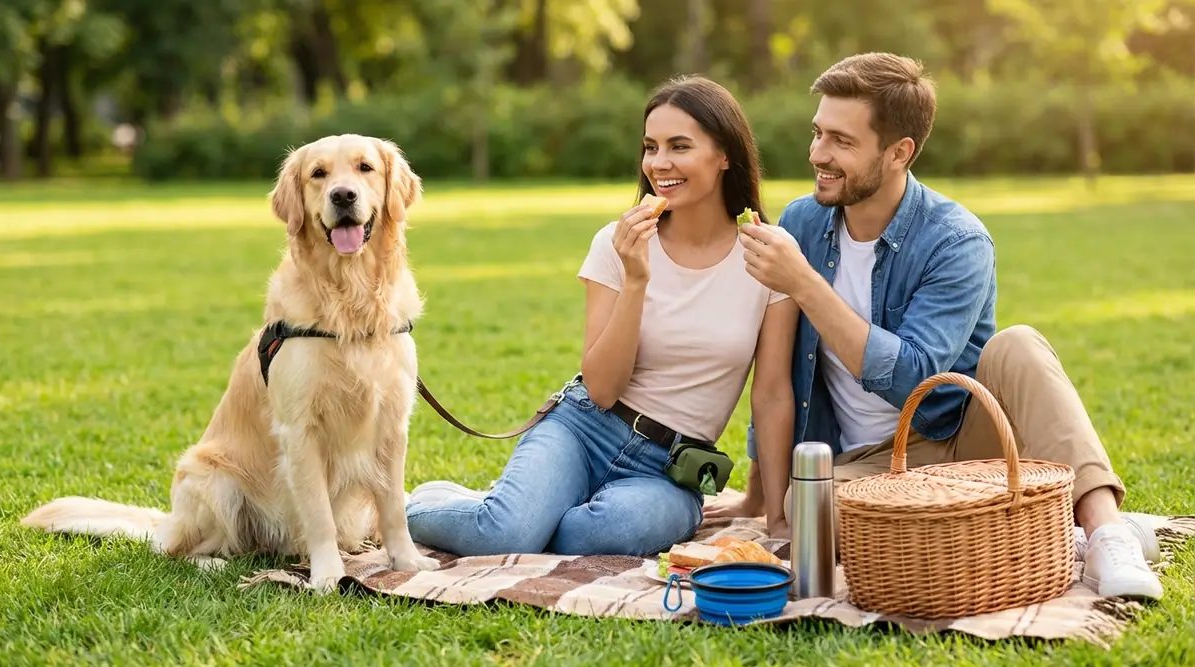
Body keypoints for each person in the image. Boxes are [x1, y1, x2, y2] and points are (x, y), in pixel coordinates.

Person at [713, 52, 1164, 600]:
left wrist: (805, 283)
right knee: (811, 517)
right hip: (864, 466)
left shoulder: (956, 240)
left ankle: (1107, 533)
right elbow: (778, 376)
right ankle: (1040, 528)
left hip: (961, 438)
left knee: (1018, 344)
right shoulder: (802, 223)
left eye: (841, 141)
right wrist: (761, 497)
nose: (818, 154)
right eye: (818, 133)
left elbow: (912, 377)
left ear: (899, 152)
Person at [403, 75, 799, 557]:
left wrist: (776, 517)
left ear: (725, 155)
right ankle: (411, 508)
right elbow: (603, 389)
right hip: (584, 428)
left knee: (595, 536)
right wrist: (636, 280)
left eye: (679, 146)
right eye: (650, 147)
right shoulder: (617, 243)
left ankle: (520, 508)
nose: (658, 163)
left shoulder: (768, 255)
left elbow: (772, 395)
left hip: (671, 470)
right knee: (505, 535)